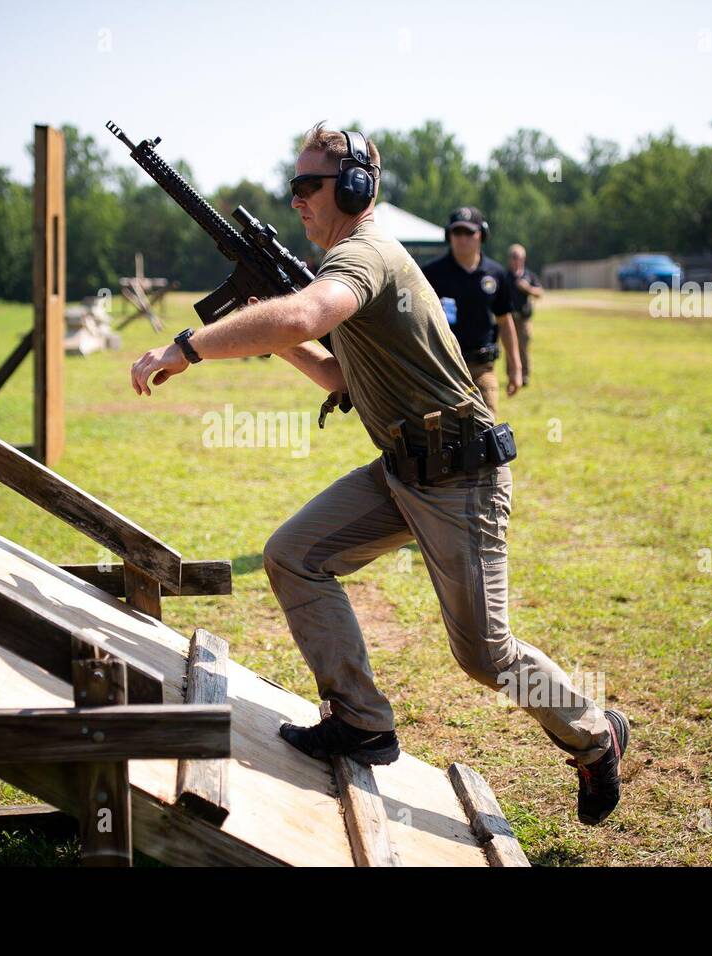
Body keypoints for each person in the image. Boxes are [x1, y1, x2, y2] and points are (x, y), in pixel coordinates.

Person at [129, 123, 629, 825]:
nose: (297, 199)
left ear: (355, 188)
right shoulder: (349, 266)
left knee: (484, 656)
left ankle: (594, 734)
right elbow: (338, 371)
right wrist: (271, 338)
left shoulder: (364, 255)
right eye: (293, 186)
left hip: (460, 476)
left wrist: (190, 345)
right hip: (403, 471)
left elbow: (303, 313)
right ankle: (362, 720)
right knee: (294, 555)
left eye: (309, 186)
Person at [420, 208, 521, 420]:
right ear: (449, 236)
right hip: (444, 369)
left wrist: (515, 368)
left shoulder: (496, 273)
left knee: (486, 427)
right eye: (457, 233)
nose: (463, 238)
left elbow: (505, 321)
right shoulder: (431, 274)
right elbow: (418, 321)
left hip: (482, 367)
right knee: (445, 434)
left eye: (469, 232)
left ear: (482, 235)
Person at [506, 243, 544, 386]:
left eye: (518, 257)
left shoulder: (529, 275)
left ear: (523, 259)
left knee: (523, 347)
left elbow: (540, 292)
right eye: (513, 257)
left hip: (523, 319)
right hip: (508, 319)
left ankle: (525, 376)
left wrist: (527, 288)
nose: (516, 260)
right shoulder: (504, 276)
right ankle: (511, 375)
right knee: (509, 347)